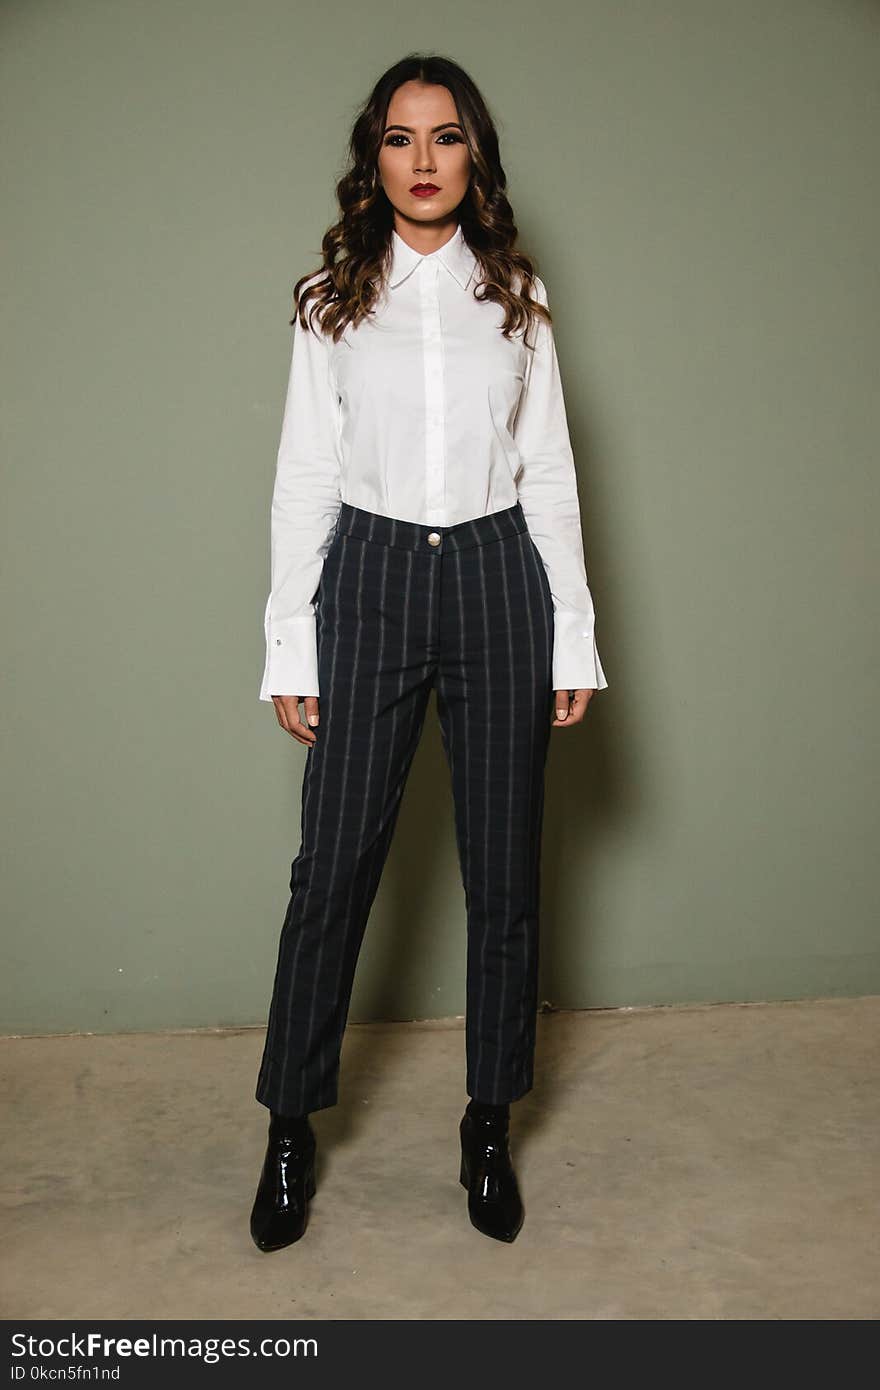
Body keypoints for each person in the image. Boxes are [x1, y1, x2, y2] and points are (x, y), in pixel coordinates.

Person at [250, 53, 608, 1253]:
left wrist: (574, 629)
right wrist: (288, 642)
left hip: (502, 574)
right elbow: (304, 474)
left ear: (474, 156)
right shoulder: (328, 298)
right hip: (374, 576)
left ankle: (488, 1124)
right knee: (332, 869)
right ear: (374, 158)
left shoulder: (517, 293)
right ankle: (290, 1126)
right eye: (399, 139)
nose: (420, 160)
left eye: (444, 138)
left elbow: (549, 466)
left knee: (503, 873)